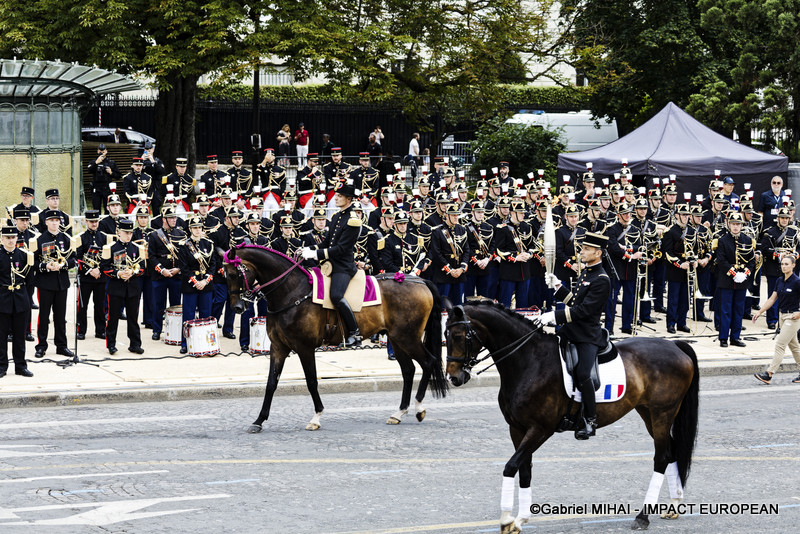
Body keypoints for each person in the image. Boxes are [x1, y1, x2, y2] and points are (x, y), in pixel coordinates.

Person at [540, 232, 612, 440]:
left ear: (598, 253)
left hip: (587, 335)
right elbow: (575, 302)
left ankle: (590, 419)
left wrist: (555, 315)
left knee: (583, 374)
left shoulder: (602, 279)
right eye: (583, 248)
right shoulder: (587, 273)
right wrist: (558, 286)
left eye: (587, 249)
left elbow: (585, 311)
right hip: (571, 331)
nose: (582, 252)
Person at [301, 179, 364, 347]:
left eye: (339, 196)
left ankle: (355, 333)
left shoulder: (353, 220)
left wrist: (315, 254)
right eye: (336, 195)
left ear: (348, 199)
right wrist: (307, 249)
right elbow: (326, 243)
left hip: (343, 267)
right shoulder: (336, 216)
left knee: (336, 296)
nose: (335, 198)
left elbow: (341, 249)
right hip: (330, 265)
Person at [33, 209, 76, 359]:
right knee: (44, 316)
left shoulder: (66, 238)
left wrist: (63, 264)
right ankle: (41, 346)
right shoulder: (39, 240)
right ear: (46, 222)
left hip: (61, 283)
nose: (54, 223)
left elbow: (73, 259)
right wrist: (45, 266)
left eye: (57, 221)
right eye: (51, 220)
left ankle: (61, 346)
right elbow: (33, 262)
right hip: (45, 283)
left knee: (60, 317)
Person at [101, 219, 146, 355]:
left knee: (133, 318)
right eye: (126, 232)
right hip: (115, 287)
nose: (128, 235)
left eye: (130, 233)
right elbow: (104, 267)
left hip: (133, 287)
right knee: (113, 317)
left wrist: (133, 272)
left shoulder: (137, 248)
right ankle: (111, 344)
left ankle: (135, 344)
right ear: (119, 232)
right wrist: (118, 273)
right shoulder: (111, 248)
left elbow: (142, 267)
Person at [753, 254, 800, 384]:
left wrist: (799, 313)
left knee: (780, 344)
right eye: (782, 264)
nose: (784, 266)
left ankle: (769, 374)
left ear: (793, 265)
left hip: (793, 317)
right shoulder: (779, 280)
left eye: (787, 264)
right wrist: (760, 312)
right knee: (794, 347)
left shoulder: (797, 282)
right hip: (782, 316)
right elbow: (772, 299)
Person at [177, 216, 218, 354]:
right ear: (190, 229)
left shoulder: (208, 244)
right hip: (190, 285)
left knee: (205, 315)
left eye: (199, 227)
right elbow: (184, 267)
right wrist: (196, 282)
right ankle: (186, 343)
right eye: (194, 227)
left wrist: (205, 281)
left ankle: (205, 343)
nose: (197, 230)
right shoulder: (184, 245)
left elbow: (213, 265)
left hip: (206, 284)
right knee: (188, 316)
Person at [715, 212, 754, 347]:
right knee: (725, 311)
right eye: (733, 224)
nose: (735, 227)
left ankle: (735, 337)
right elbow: (721, 261)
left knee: (738, 310)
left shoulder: (747, 240)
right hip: (727, 280)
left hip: (742, 281)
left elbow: (751, 261)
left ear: (742, 225)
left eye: (738, 224)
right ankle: (723, 337)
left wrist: (745, 274)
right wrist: (734, 274)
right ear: (729, 224)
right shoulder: (723, 240)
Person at [0, 225, 34, 378]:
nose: (10, 240)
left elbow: (30, 280)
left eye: (13, 237)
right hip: (3, 299)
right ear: (2, 239)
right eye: (7, 238)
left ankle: (20, 366)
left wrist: (26, 298)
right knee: (1, 336)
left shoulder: (24, 255)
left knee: (20, 336)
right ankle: (2, 366)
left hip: (20, 300)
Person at [148, 205, 185, 340]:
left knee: (176, 304)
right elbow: (151, 256)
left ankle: (175, 330)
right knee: (158, 304)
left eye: (175, 217)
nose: (174, 220)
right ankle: (157, 330)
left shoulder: (181, 234)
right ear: (164, 219)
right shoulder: (154, 235)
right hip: (160, 276)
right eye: (171, 218)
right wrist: (162, 270)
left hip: (176, 275)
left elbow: (184, 255)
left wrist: (178, 268)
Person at [75, 210, 108, 341]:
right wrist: (90, 270)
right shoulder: (81, 238)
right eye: (91, 221)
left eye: (96, 221)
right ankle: (81, 330)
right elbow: (78, 258)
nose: (94, 224)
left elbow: (106, 257)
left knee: (100, 305)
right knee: (83, 305)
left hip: (100, 277)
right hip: (86, 277)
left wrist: (99, 270)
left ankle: (100, 330)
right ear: (86, 222)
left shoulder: (104, 237)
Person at [87, 143, 121, 214]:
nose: (101, 152)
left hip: (107, 189)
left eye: (103, 151)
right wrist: (96, 163)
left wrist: (111, 173)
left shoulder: (111, 162)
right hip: (96, 188)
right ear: (97, 151)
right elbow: (89, 170)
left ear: (106, 151)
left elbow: (118, 176)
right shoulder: (93, 162)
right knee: (96, 209)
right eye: (100, 150)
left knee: (108, 209)